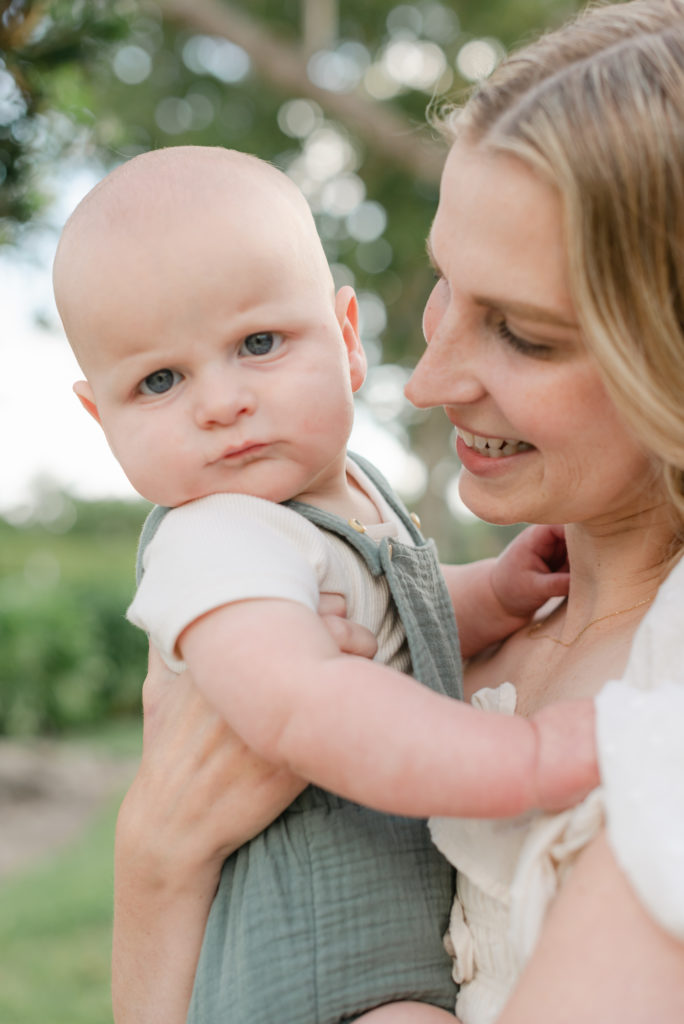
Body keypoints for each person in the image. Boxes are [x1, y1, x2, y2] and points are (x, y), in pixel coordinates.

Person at [106, 1, 684, 1022]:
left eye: (524, 333)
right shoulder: (399, 626)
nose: (428, 380)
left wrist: (165, 850)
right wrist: (157, 855)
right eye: (445, 285)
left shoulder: (660, 699)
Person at [52, 147, 598, 1024]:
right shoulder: (216, 536)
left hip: (388, 952)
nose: (220, 401)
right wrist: (524, 763)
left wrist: (494, 593)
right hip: (312, 978)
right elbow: (303, 704)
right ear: (100, 417)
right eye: (160, 380)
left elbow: (392, 628)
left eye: (258, 344)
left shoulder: (356, 495)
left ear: (347, 339)